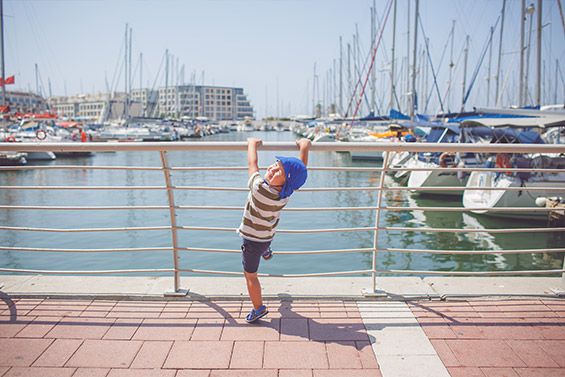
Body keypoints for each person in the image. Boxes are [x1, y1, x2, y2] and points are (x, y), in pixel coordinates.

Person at [237, 137, 311, 323]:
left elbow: (252, 164)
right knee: (263, 243)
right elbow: (299, 171)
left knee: (250, 276)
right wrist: (304, 147)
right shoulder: (285, 194)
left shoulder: (258, 188)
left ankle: (258, 308)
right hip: (266, 236)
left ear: (286, 181)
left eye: (278, 170)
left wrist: (252, 144)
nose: (271, 169)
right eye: (275, 164)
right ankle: (266, 251)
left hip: (252, 240)